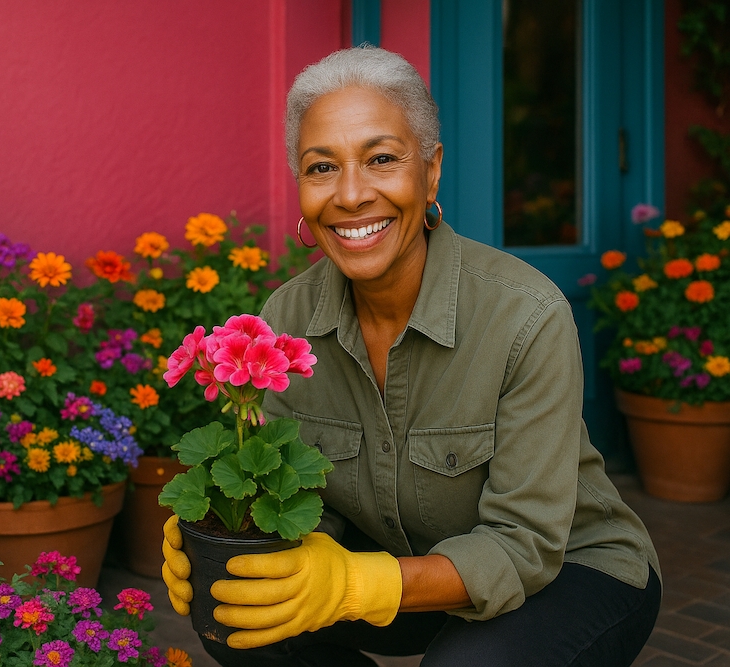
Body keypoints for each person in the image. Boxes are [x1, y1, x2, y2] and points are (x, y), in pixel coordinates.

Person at [162, 46, 661, 666]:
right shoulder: (283, 324)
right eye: (321, 168)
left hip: (565, 572)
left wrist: (351, 586)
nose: (349, 195)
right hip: (398, 576)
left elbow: (525, 544)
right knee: (244, 622)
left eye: (381, 159)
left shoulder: (526, 314)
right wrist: (223, 535)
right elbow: (292, 499)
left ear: (430, 172)